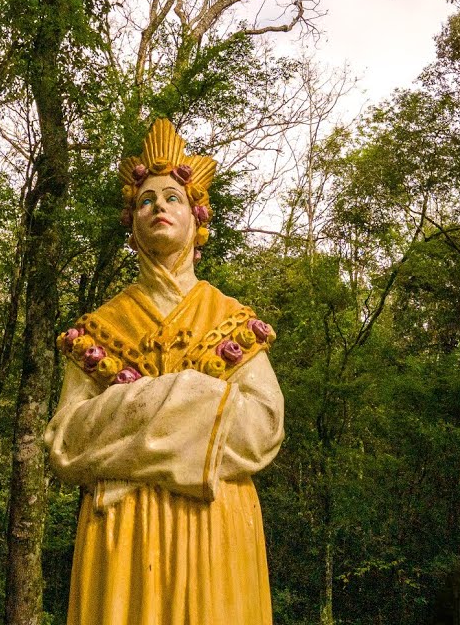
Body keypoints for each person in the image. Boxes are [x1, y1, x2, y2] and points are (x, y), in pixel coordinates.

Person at [44, 118, 286, 625]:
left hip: (216, 527)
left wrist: (138, 414)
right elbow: (66, 443)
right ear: (131, 223)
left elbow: (262, 430)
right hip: (122, 538)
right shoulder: (100, 328)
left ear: (197, 219)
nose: (159, 206)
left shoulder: (231, 320)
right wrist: (192, 400)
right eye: (146, 199)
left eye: (173, 197)